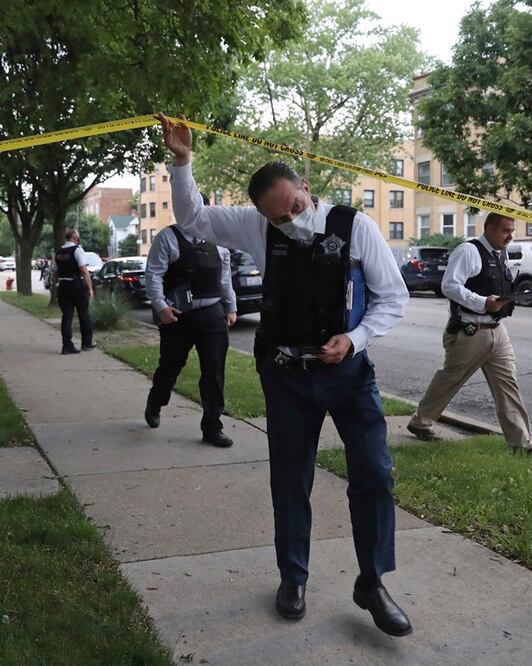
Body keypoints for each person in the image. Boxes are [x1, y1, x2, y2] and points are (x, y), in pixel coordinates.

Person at [156, 113, 412, 637]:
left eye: (294, 206)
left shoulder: (353, 226)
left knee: (375, 474)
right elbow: (193, 220)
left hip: (349, 374)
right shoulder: (256, 227)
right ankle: (293, 576)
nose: (290, 220)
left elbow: (392, 298)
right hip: (288, 376)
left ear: (306, 189)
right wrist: (183, 163)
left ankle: (372, 580)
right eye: (278, 218)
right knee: (290, 478)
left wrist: (355, 339)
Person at [406, 213, 532, 453]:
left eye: (512, 231)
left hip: (497, 330)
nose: (510, 236)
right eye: (505, 230)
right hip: (470, 331)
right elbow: (449, 286)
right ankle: (420, 421)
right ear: (489, 229)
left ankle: (522, 444)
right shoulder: (468, 251)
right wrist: (482, 302)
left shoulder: (499, 254)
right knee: (451, 379)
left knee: (508, 385)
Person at [144, 193, 238, 448]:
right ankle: (156, 401)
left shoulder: (219, 242)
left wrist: (231, 307)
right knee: (170, 366)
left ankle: (212, 427)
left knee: (214, 372)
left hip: (212, 314)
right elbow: (153, 275)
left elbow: (225, 278)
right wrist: (161, 306)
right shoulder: (167, 238)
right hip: (177, 317)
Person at [54, 228, 95, 354]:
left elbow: (54, 272)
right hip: (76, 285)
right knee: (83, 314)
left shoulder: (58, 252)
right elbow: (83, 270)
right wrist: (90, 288)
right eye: (78, 236)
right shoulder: (77, 250)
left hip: (63, 285)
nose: (79, 238)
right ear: (74, 238)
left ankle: (67, 345)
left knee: (67, 316)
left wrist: (56, 287)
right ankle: (86, 342)